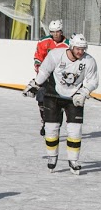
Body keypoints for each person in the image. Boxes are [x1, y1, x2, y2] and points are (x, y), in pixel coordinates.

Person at [24, 33, 99, 174]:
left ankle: (74, 161)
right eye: (78, 48)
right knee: (51, 128)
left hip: (74, 97)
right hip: (53, 95)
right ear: (71, 47)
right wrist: (35, 85)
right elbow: (44, 70)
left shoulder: (89, 61)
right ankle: (52, 157)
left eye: (83, 49)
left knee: (75, 131)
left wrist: (83, 93)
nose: (80, 52)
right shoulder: (56, 55)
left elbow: (93, 81)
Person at [32, 19, 69, 136]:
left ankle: (57, 122)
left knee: (60, 101)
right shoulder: (44, 41)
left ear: (61, 31)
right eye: (52, 32)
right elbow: (38, 57)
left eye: (57, 31)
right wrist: (39, 69)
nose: (55, 34)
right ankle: (44, 122)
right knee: (41, 98)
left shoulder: (68, 44)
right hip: (46, 75)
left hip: (61, 77)